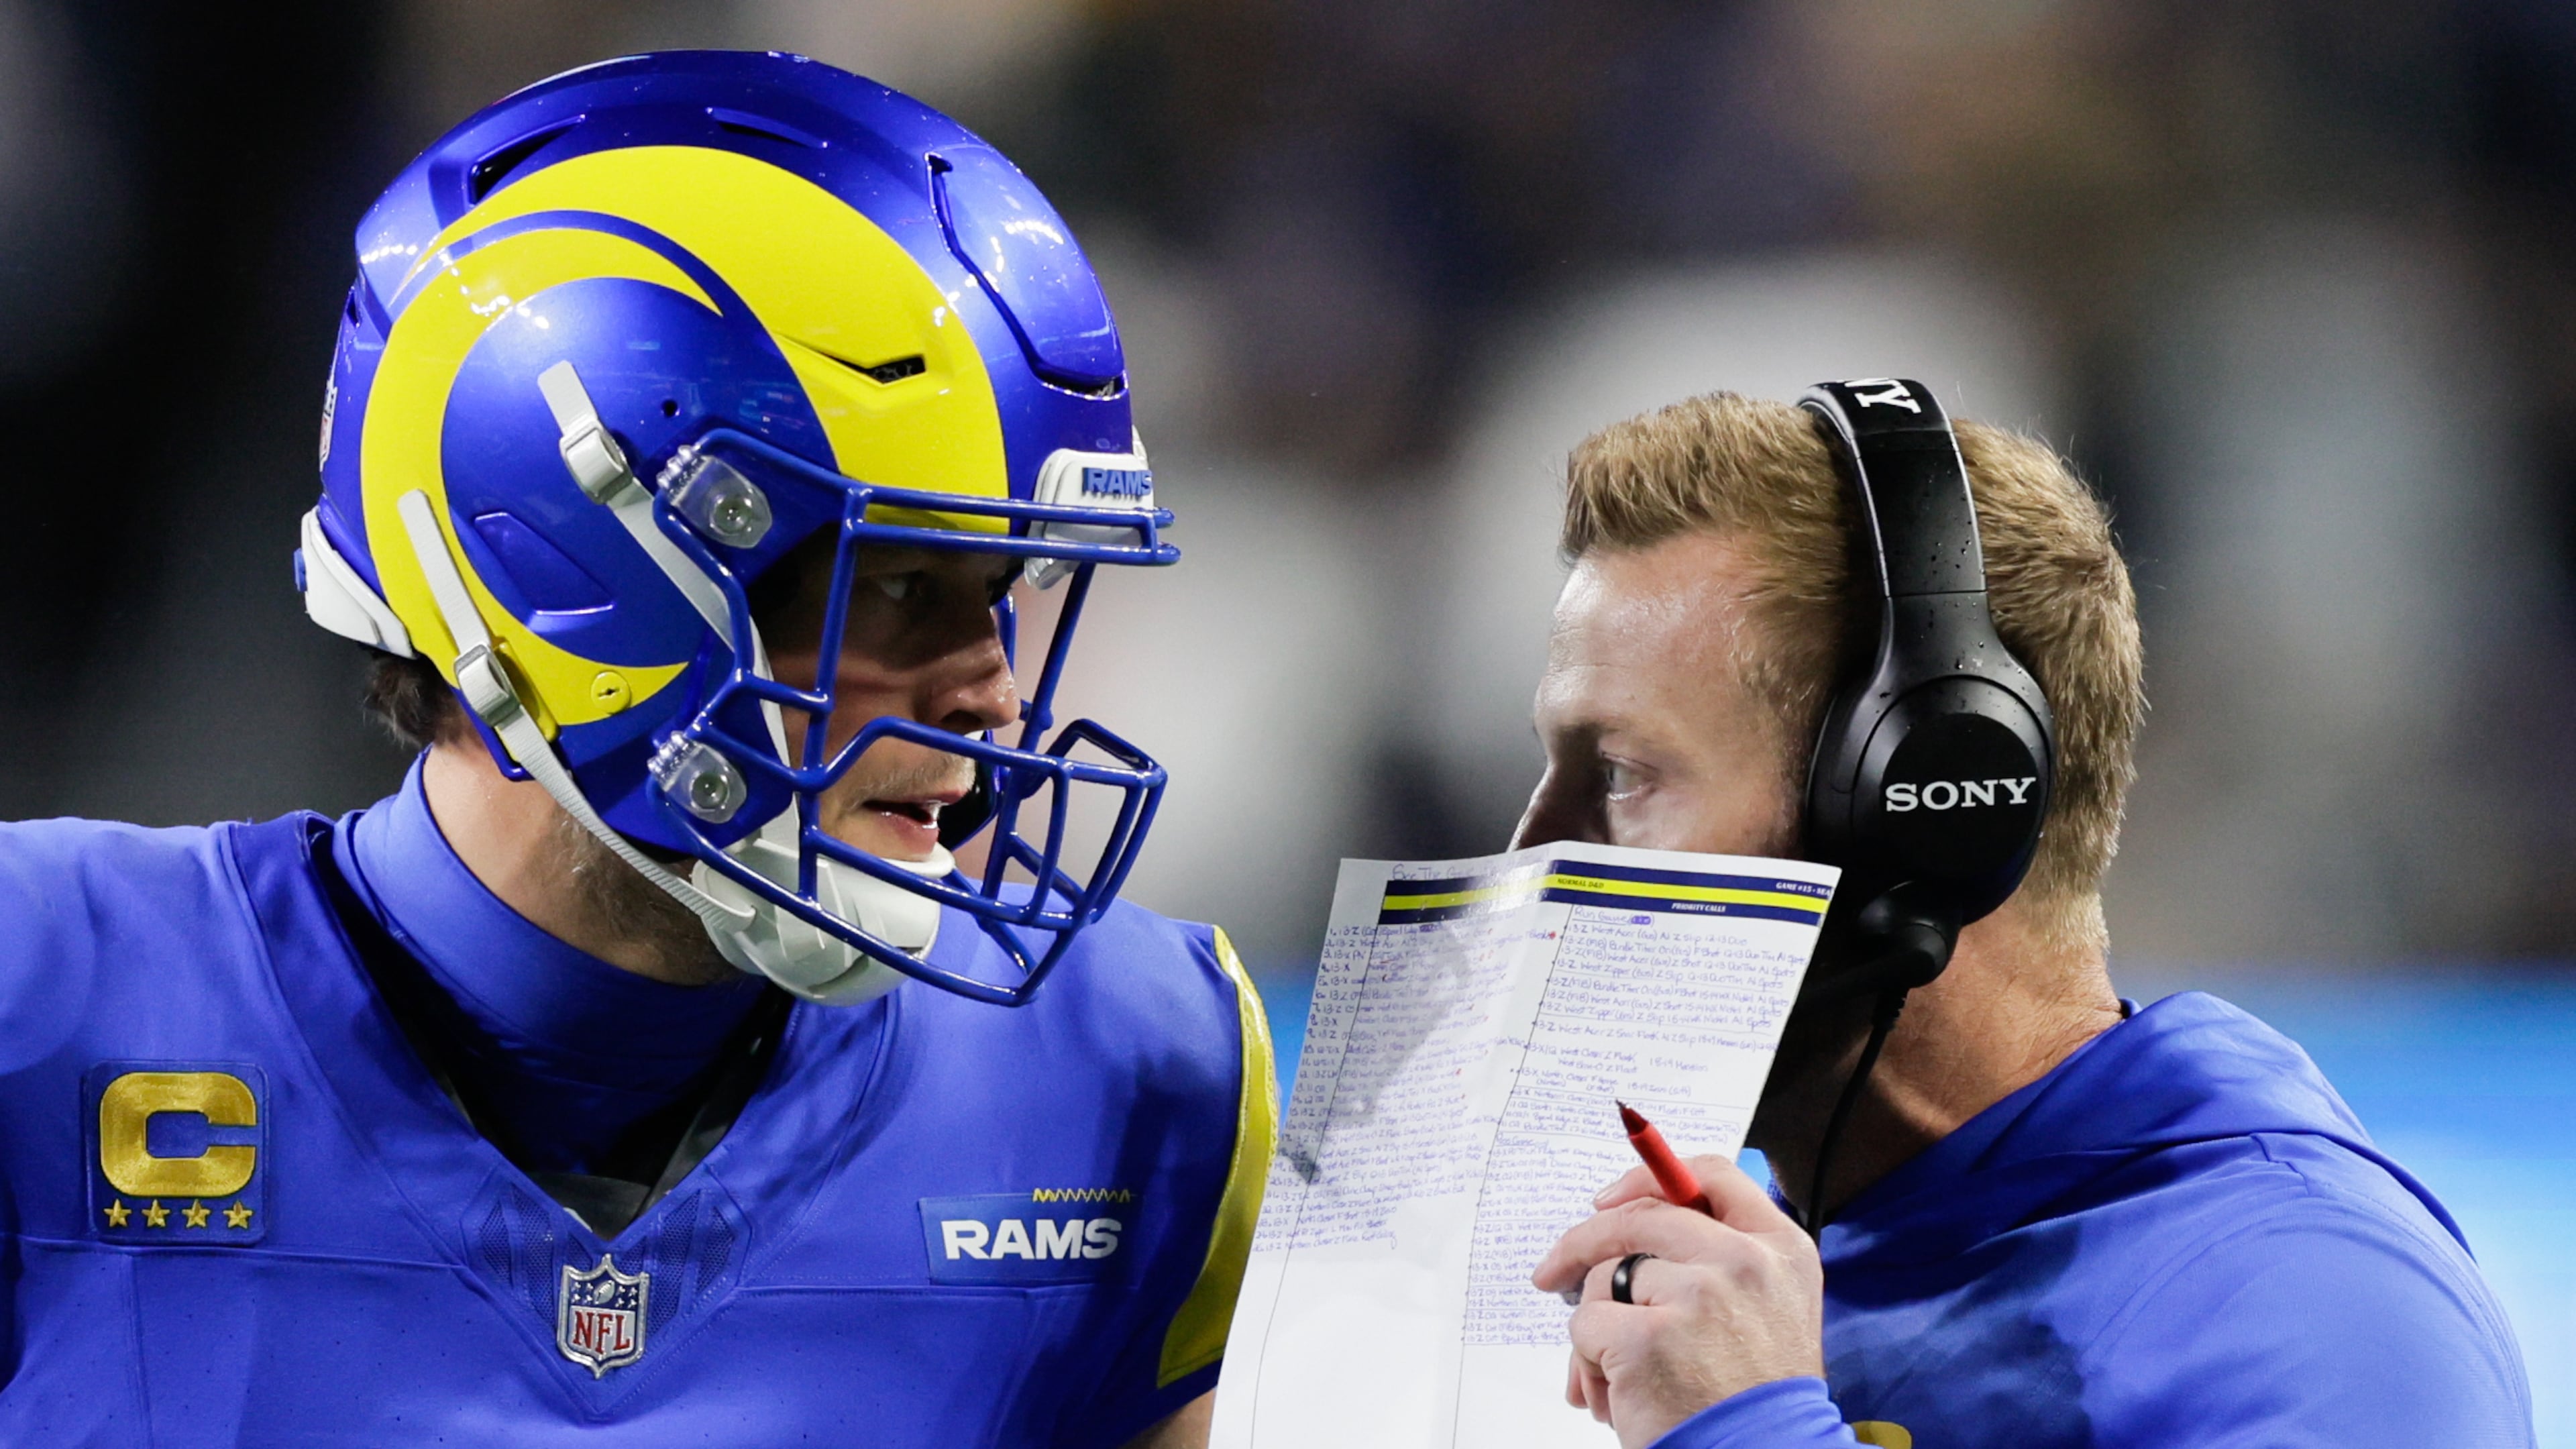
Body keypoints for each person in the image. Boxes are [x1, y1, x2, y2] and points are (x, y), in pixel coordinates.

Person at [0, 52, 1271, 1448]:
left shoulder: (1137, 1080)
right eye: (903, 587)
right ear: (566, 577)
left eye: (1003, 592)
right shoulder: (45, 1002)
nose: (996, 699)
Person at [1517, 390, 2534, 1446]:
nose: (1531, 853)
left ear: (1918, 813)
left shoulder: (2319, 1313)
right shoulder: (1712, 1314)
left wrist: (1747, 1433)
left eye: (1624, 775)